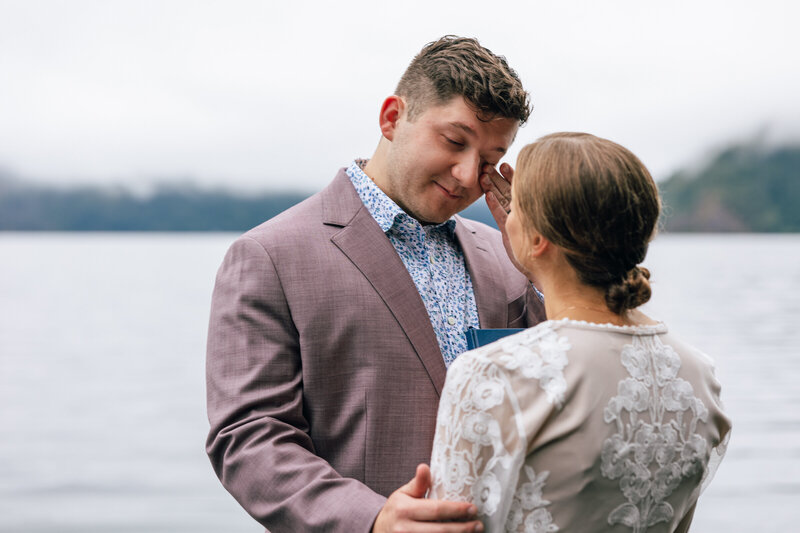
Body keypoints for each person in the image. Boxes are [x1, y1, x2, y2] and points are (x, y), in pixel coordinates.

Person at [205, 36, 545, 532]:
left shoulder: (507, 253)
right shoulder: (268, 255)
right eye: (454, 141)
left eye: (491, 160)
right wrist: (371, 519)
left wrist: (544, 258)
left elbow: (568, 381)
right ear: (391, 118)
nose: (469, 175)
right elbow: (249, 437)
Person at [428, 132, 732, 532]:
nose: (508, 214)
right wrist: (533, 252)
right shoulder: (700, 374)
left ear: (539, 239)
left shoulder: (491, 374)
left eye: (516, 207)